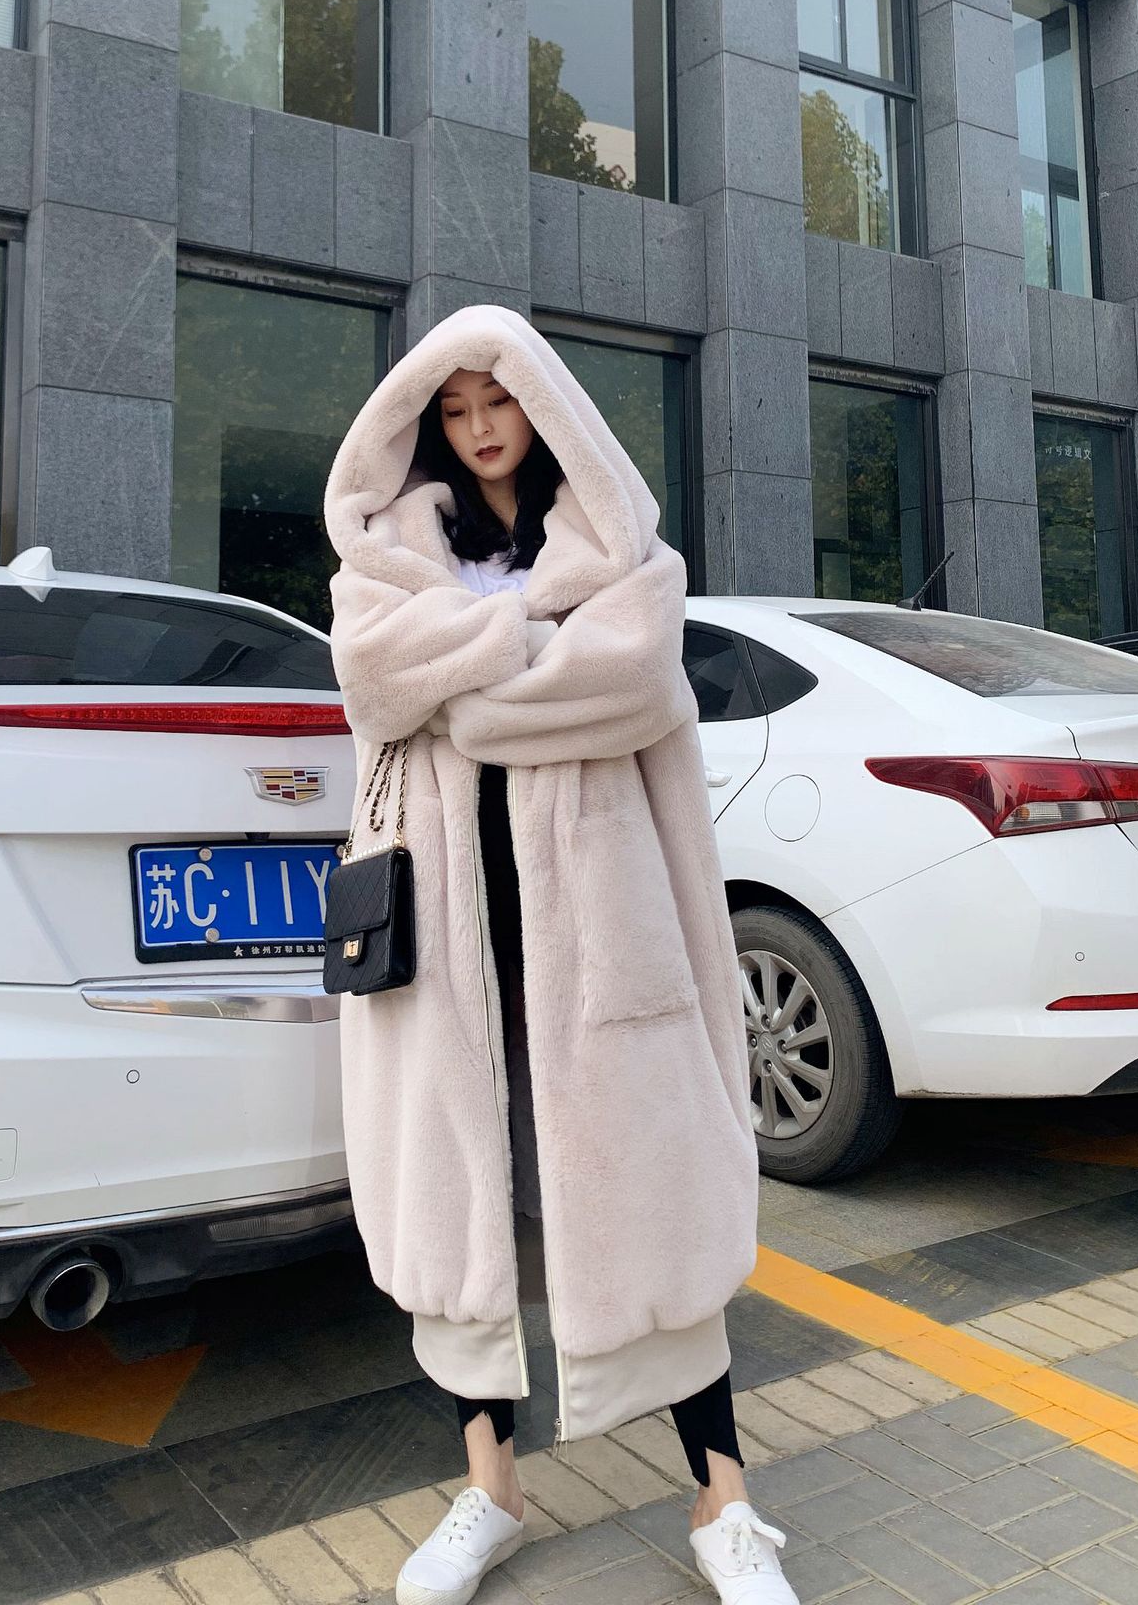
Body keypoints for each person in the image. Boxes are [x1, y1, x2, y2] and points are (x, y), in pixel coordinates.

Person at [322, 307, 795, 1605]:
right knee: (464, 1221)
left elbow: (632, 681)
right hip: (449, 940)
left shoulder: (616, 550)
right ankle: (491, 1493)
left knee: (657, 1199)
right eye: (456, 409)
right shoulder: (386, 555)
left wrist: (461, 678)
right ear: (427, 425)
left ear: (542, 407)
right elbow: (372, 678)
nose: (481, 429)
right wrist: (526, 648)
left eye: (501, 402)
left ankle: (726, 1504)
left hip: (599, 937)